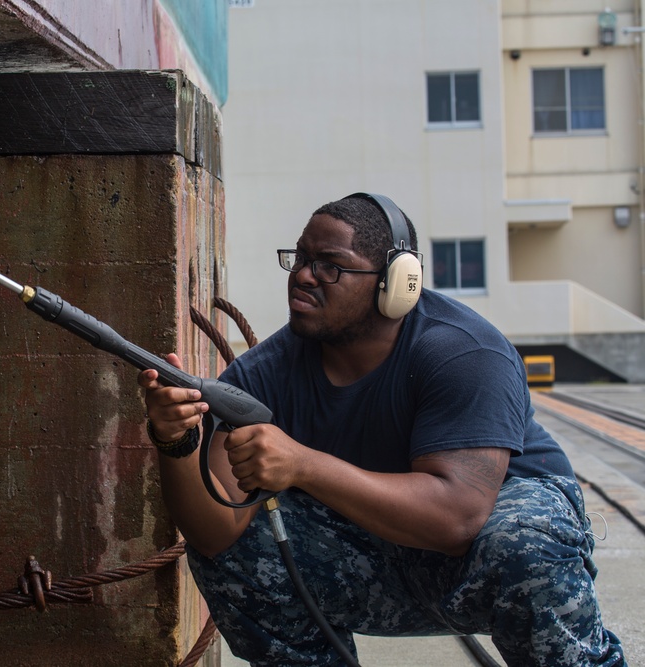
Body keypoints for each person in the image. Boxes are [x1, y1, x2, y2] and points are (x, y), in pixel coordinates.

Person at [138, 193, 626, 666]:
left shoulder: (463, 352)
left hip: (487, 550)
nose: (304, 276)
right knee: (238, 549)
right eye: (300, 259)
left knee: (523, 542)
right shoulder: (261, 375)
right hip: (378, 558)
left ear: (397, 283)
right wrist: (176, 440)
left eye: (330, 265)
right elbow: (218, 535)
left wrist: (303, 464)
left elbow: (459, 519)